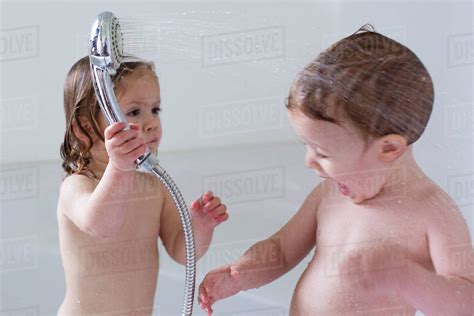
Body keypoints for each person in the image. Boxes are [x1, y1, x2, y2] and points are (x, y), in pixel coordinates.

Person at [198, 26, 474, 315]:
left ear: (389, 149)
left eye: (323, 152)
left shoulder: (432, 212)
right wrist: (238, 275)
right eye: (309, 146)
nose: (309, 161)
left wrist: (410, 281)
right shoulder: (329, 195)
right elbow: (281, 250)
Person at [57, 56, 229, 315]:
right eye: (135, 112)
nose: (151, 122)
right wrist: (120, 167)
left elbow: (182, 251)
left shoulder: (154, 188)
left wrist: (201, 228)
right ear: (85, 129)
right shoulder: (76, 186)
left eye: (155, 110)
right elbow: (101, 225)